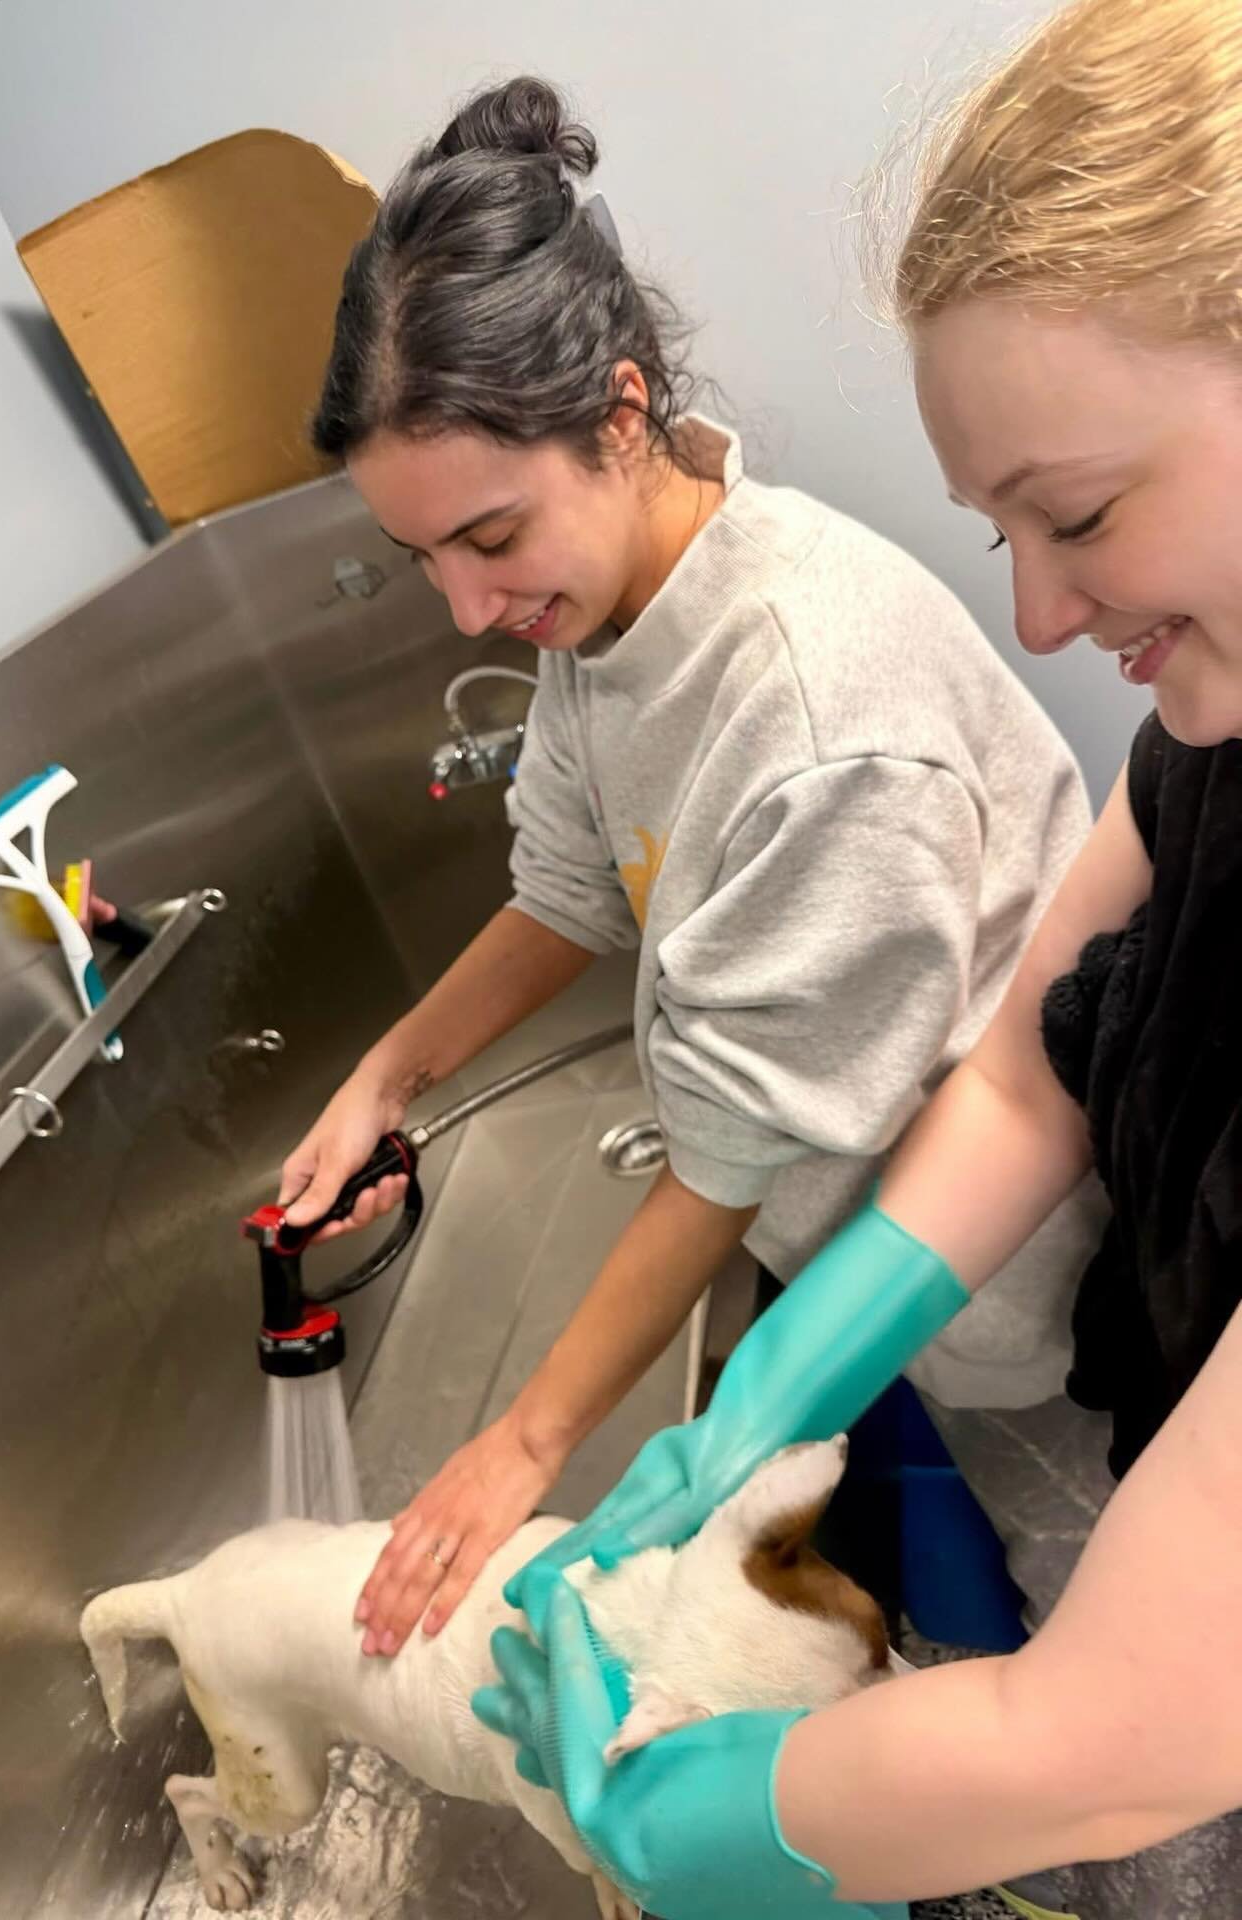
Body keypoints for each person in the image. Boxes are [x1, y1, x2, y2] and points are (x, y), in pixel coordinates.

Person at [474, 4, 1242, 1917]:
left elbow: (1116, 1736)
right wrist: (771, 1398)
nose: (1042, 615)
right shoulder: (1213, 744)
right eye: (1007, 533)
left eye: (1074, 517)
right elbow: (1029, 1066)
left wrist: (672, 1814)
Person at [293, 76, 1096, 1666]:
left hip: (1026, 1284)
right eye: (425, 560)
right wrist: (390, 1069)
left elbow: (725, 1155)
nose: (466, 608)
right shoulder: (612, 617)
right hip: (856, 1231)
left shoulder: (812, 707)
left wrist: (525, 1449)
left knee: (1096, 1620)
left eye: (493, 537)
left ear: (619, 409)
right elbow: (574, 891)